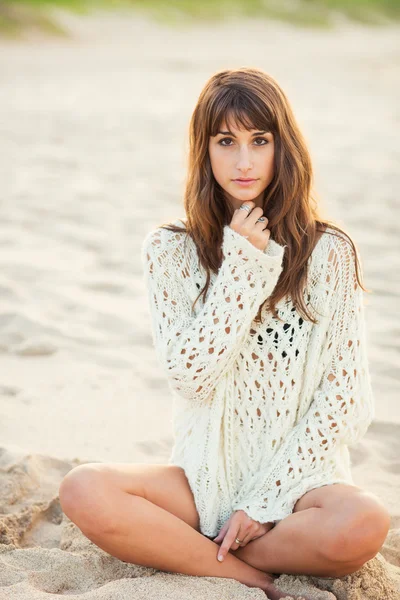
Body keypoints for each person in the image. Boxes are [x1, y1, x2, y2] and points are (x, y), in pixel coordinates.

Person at [58, 67, 390, 600]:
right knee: (84, 489)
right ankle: (251, 577)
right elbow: (190, 377)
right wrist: (241, 270)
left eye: (260, 141)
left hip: (300, 487)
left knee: (365, 521)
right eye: (226, 141)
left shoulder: (329, 251)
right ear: (204, 149)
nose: (243, 161)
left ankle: (199, 550)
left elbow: (346, 401)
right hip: (202, 480)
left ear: (284, 148)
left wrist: (264, 503)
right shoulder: (169, 249)